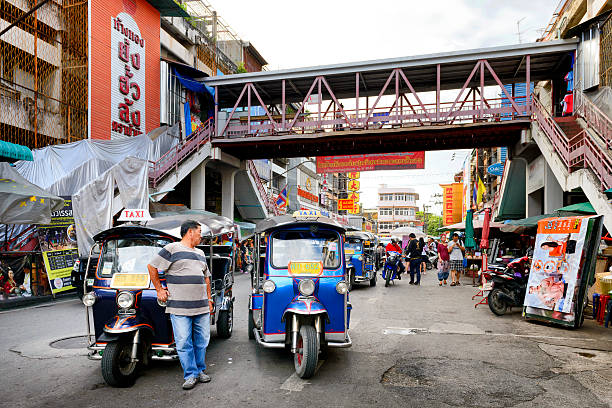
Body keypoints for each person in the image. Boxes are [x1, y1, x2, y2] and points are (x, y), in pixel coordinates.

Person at [147, 220, 213, 390]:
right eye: (199, 231)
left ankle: (199, 371)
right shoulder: (172, 248)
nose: (200, 235)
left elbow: (206, 278)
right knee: (184, 342)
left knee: (202, 341)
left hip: (202, 306)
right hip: (179, 307)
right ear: (190, 232)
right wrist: (159, 289)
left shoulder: (200, 253)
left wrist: (209, 299)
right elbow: (152, 266)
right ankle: (190, 374)